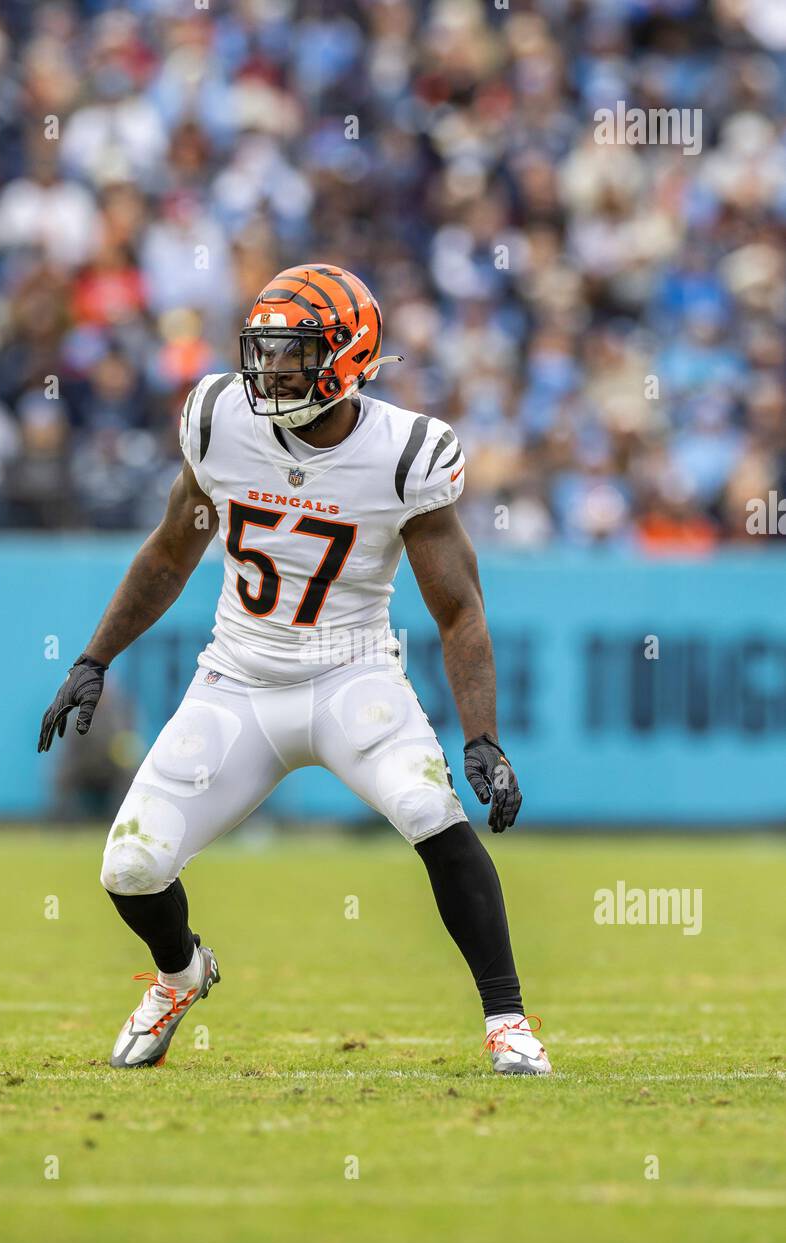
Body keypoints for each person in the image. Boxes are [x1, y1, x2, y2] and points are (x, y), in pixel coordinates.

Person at [38, 263, 551, 1076]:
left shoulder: (404, 453)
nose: (271, 370)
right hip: (237, 678)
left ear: (350, 359)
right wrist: (96, 656)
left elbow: (458, 609)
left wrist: (482, 737)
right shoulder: (219, 418)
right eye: (267, 349)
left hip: (353, 677)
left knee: (430, 811)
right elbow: (172, 552)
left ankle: (508, 1021)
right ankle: (180, 976)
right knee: (129, 868)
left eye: (295, 352)